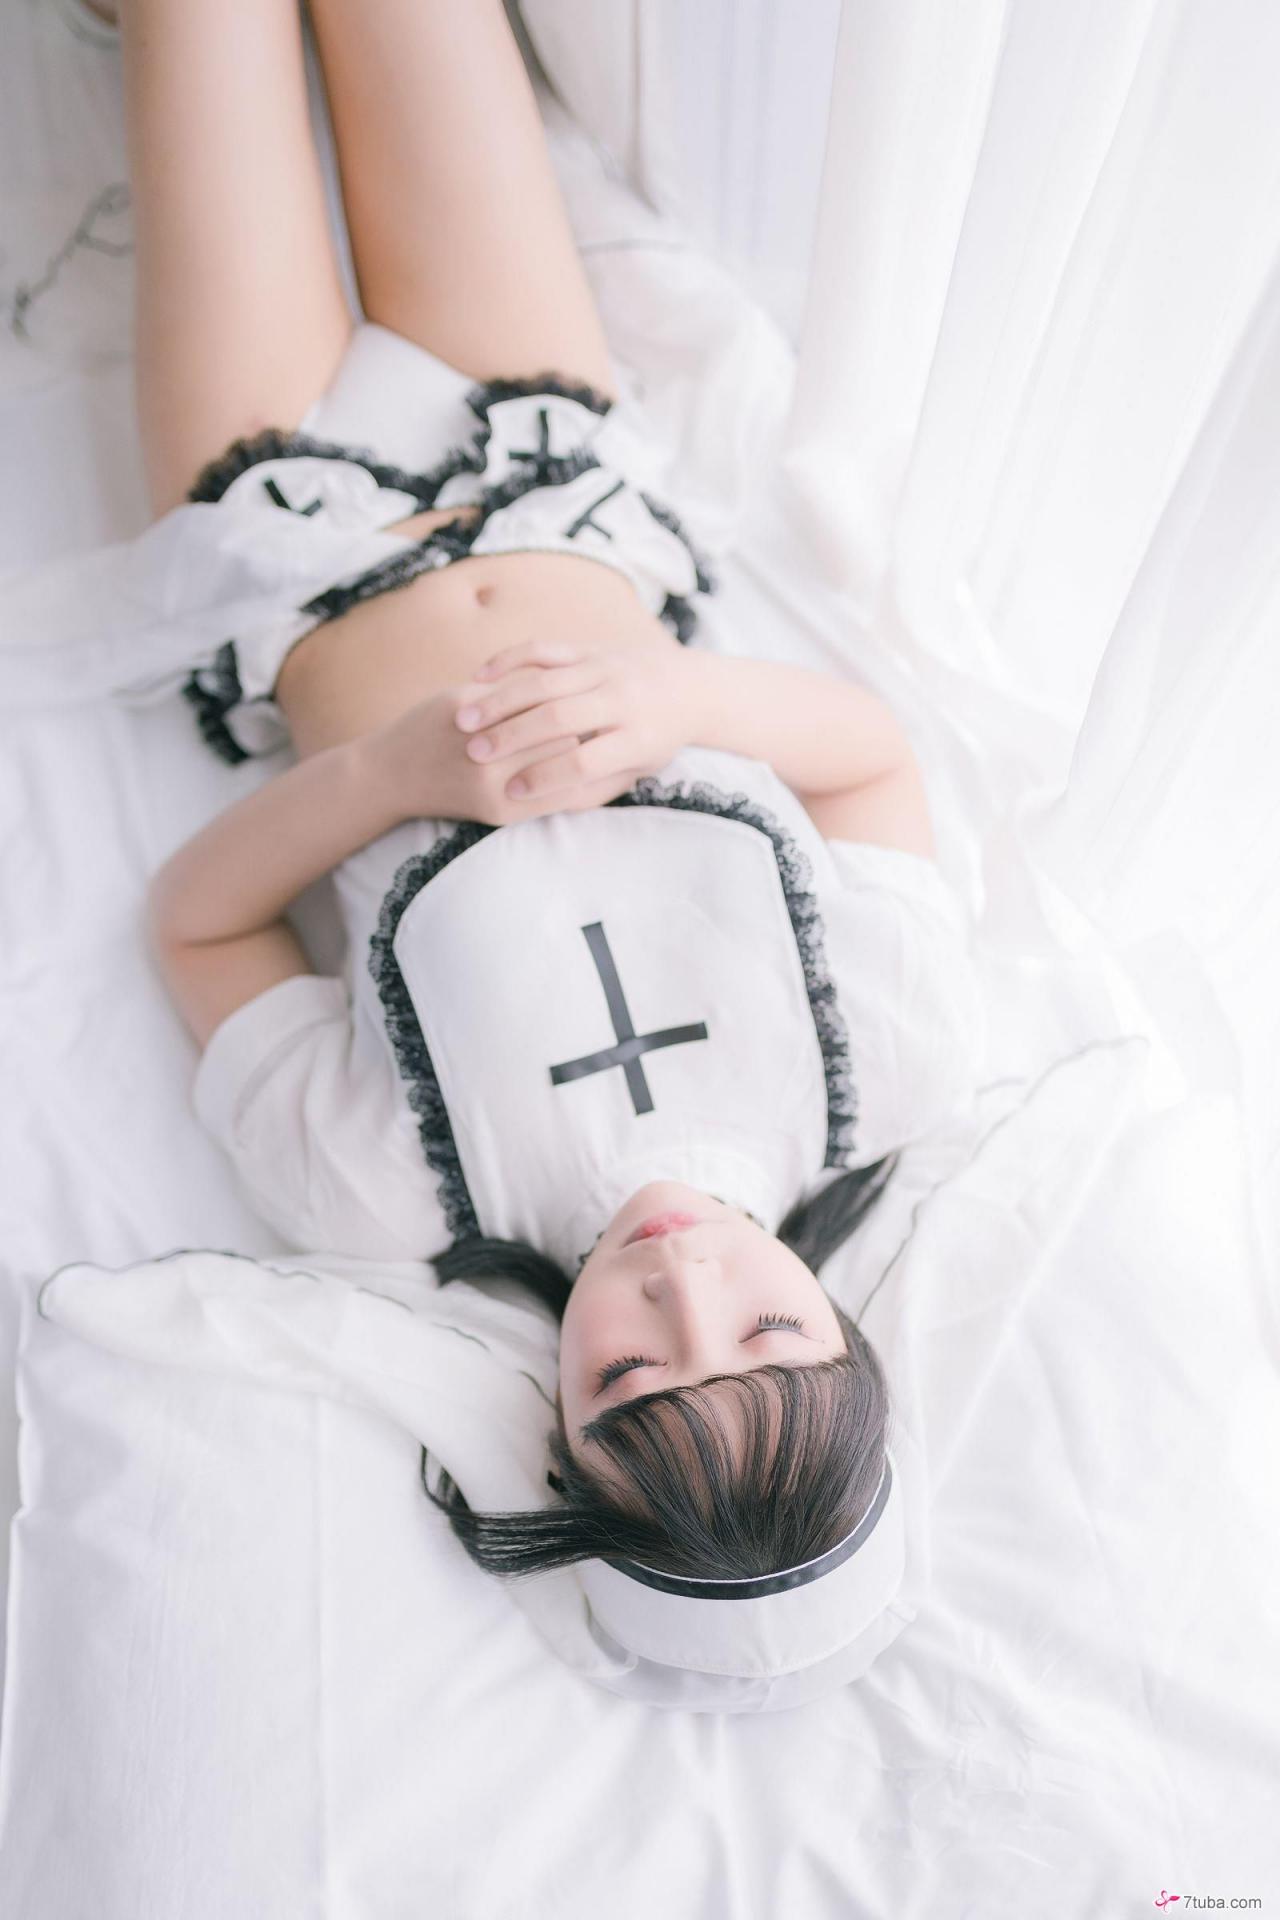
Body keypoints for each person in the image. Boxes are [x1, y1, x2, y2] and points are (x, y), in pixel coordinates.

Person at [95, 0, 981, 1610]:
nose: (679, 1281)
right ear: (844, 1329)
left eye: (632, 1375)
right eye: (767, 1326)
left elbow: (196, 925)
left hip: (284, 533)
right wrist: (680, 702)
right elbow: (875, 761)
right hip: (552, 466)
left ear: (559, 1429)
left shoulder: (385, 1197)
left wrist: (385, 776)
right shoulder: (888, 1058)